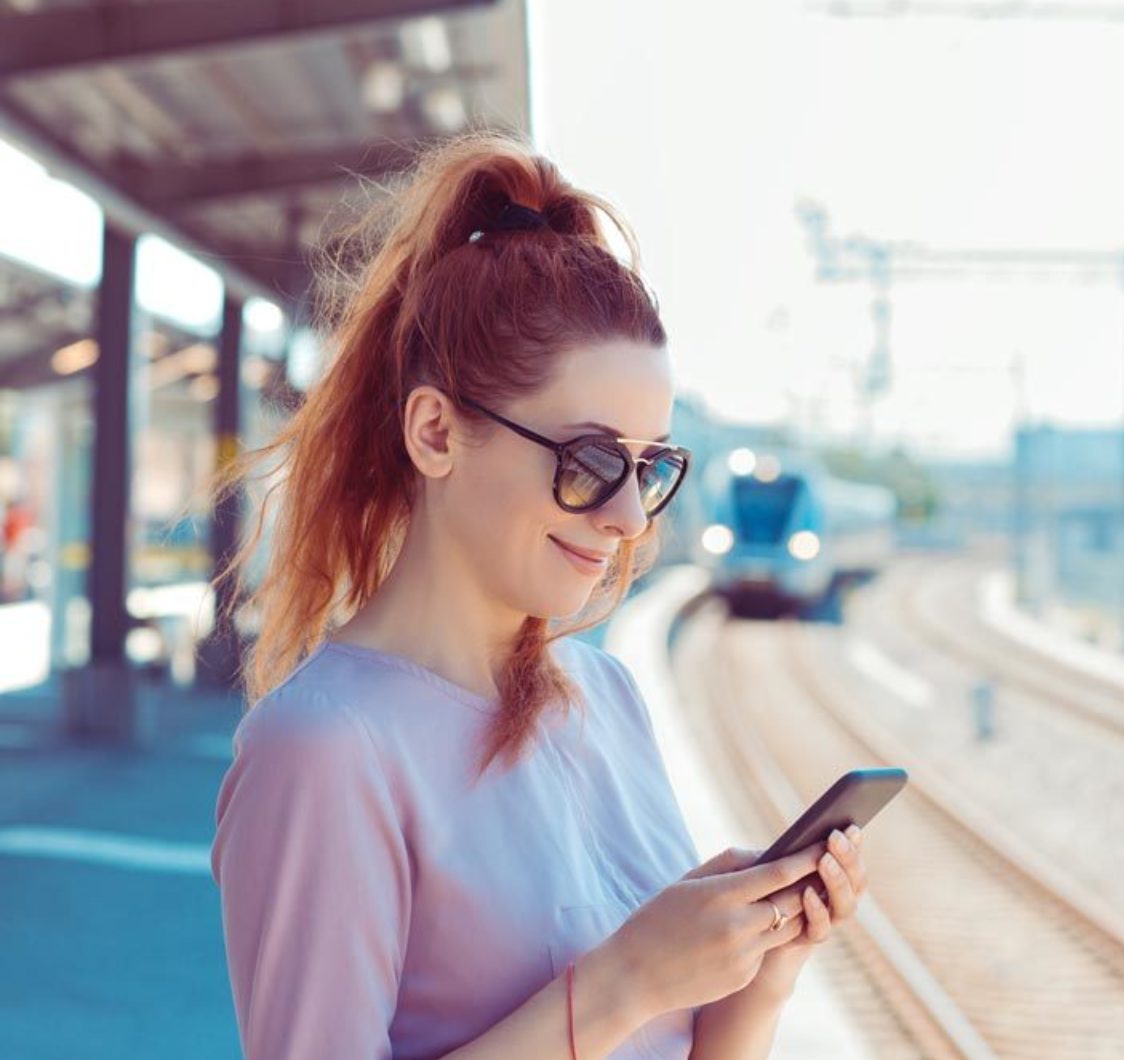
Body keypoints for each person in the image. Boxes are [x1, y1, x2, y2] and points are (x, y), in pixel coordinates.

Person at [207, 131, 871, 1060]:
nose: (630, 516)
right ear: (436, 432)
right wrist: (623, 983)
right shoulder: (324, 750)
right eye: (592, 462)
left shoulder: (607, 700)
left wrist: (751, 992)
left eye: (650, 468)